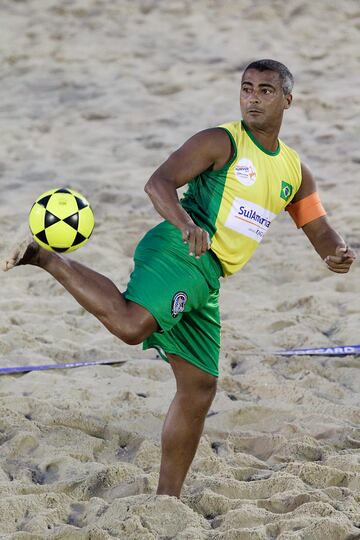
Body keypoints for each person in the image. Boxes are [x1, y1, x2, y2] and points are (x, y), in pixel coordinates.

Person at [2, 59, 356, 499]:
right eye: (246, 88)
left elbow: (318, 227)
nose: (253, 97)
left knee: (199, 386)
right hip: (179, 250)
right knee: (132, 326)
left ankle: (166, 500)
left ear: (288, 99)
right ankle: (42, 255)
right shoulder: (221, 141)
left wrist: (335, 253)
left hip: (210, 275)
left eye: (265, 90)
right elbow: (158, 183)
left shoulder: (292, 170)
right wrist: (186, 222)